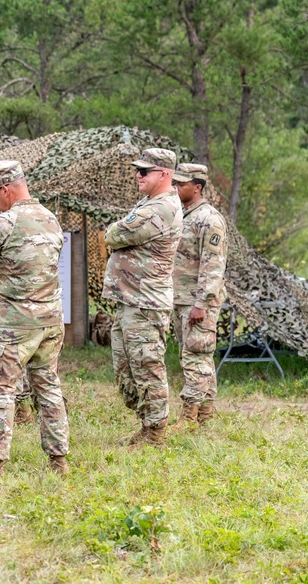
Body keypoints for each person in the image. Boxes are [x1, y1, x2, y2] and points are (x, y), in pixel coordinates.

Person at [0, 161, 70, 474]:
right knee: (49, 389)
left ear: (6, 189)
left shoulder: (2, 223)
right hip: (50, 322)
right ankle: (59, 460)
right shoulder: (51, 219)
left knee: (0, 390)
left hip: (12, 324)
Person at [103, 148, 182, 449]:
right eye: (137, 170)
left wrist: (113, 229)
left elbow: (115, 234)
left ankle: (156, 433)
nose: (138, 175)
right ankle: (146, 425)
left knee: (147, 367)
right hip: (132, 300)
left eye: (144, 171)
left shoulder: (160, 208)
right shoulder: (149, 202)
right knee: (127, 368)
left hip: (146, 303)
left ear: (164, 174)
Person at [169, 163, 227, 429]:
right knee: (195, 355)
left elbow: (213, 265)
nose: (176, 187)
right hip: (182, 298)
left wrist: (202, 303)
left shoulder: (209, 219)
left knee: (195, 357)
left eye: (182, 184)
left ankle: (189, 418)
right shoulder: (186, 215)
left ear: (198, 186)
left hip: (197, 301)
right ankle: (204, 416)